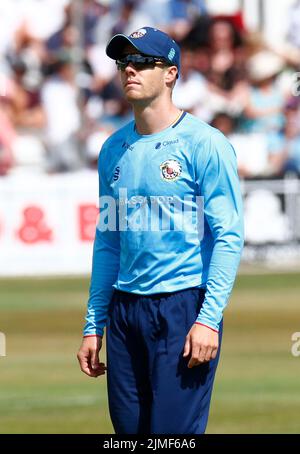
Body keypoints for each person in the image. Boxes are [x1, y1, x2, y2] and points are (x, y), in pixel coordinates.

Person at [77, 26, 244, 435]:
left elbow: (228, 236)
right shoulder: (113, 148)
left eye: (141, 62)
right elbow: (109, 242)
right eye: (123, 62)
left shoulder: (205, 143)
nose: (128, 71)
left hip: (183, 308)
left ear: (170, 73)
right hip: (125, 312)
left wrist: (208, 319)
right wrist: (93, 323)